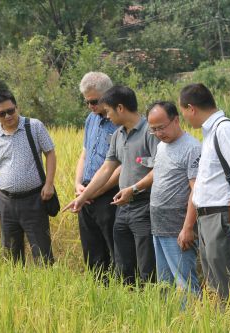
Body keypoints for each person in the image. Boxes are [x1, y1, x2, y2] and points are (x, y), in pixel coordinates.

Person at [64, 85, 158, 285]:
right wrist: (81, 197)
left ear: (121, 108)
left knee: (146, 265)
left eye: (108, 111)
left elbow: (158, 170)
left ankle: (150, 306)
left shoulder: (150, 132)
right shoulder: (118, 135)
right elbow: (106, 169)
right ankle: (128, 302)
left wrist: (133, 189)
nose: (106, 117)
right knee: (123, 264)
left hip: (143, 205)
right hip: (123, 208)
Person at [179, 83, 230, 300]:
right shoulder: (210, 132)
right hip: (209, 217)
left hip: (222, 216)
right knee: (216, 281)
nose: (185, 118)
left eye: (183, 112)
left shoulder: (224, 129)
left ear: (191, 108)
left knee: (226, 282)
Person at [0, 89, 56, 266]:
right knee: (11, 256)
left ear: (17, 107)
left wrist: (49, 183)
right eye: (2, 113)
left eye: (11, 110)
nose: (8, 116)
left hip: (34, 200)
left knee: (43, 255)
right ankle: (17, 290)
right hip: (6, 203)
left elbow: (50, 153)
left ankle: (47, 290)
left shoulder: (34, 126)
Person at [147, 101, 201, 295]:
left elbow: (197, 190)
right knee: (164, 283)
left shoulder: (192, 148)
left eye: (161, 127)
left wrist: (187, 228)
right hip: (158, 224)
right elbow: (157, 172)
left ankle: (192, 320)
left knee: (185, 283)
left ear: (176, 120)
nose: (159, 133)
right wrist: (134, 188)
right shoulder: (161, 146)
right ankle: (168, 321)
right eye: (153, 130)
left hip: (177, 226)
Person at [75, 72, 120, 276]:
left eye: (94, 101)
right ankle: (98, 293)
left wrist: (96, 191)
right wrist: (79, 185)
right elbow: (84, 154)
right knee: (92, 253)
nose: (91, 106)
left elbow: (121, 166)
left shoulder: (119, 121)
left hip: (109, 194)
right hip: (86, 193)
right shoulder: (90, 120)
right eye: (87, 102)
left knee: (115, 249)